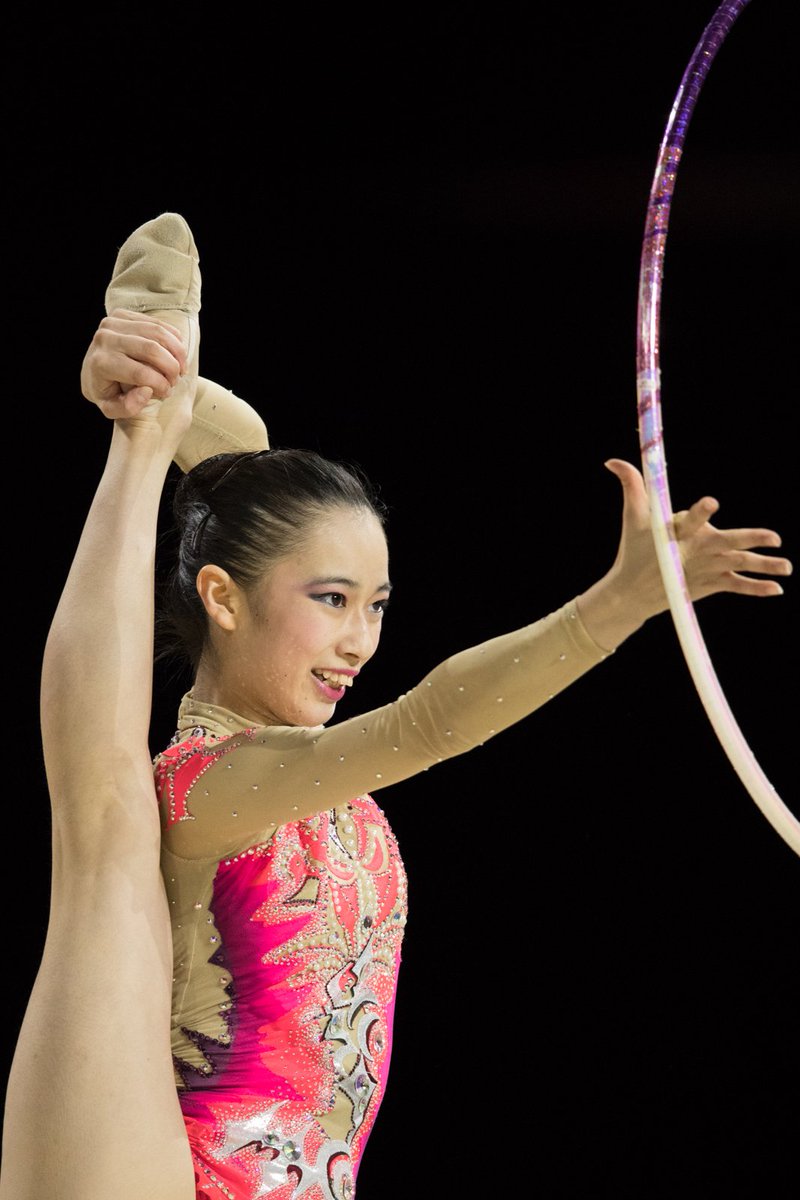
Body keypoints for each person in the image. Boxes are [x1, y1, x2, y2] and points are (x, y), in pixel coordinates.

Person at [0, 214, 790, 1200]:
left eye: (374, 606)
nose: (359, 640)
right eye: (329, 601)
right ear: (222, 597)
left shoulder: (317, 791)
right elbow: (426, 721)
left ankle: (173, 427)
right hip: (163, 1174)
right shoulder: (212, 785)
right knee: (103, 824)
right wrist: (612, 604)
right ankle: (144, 436)